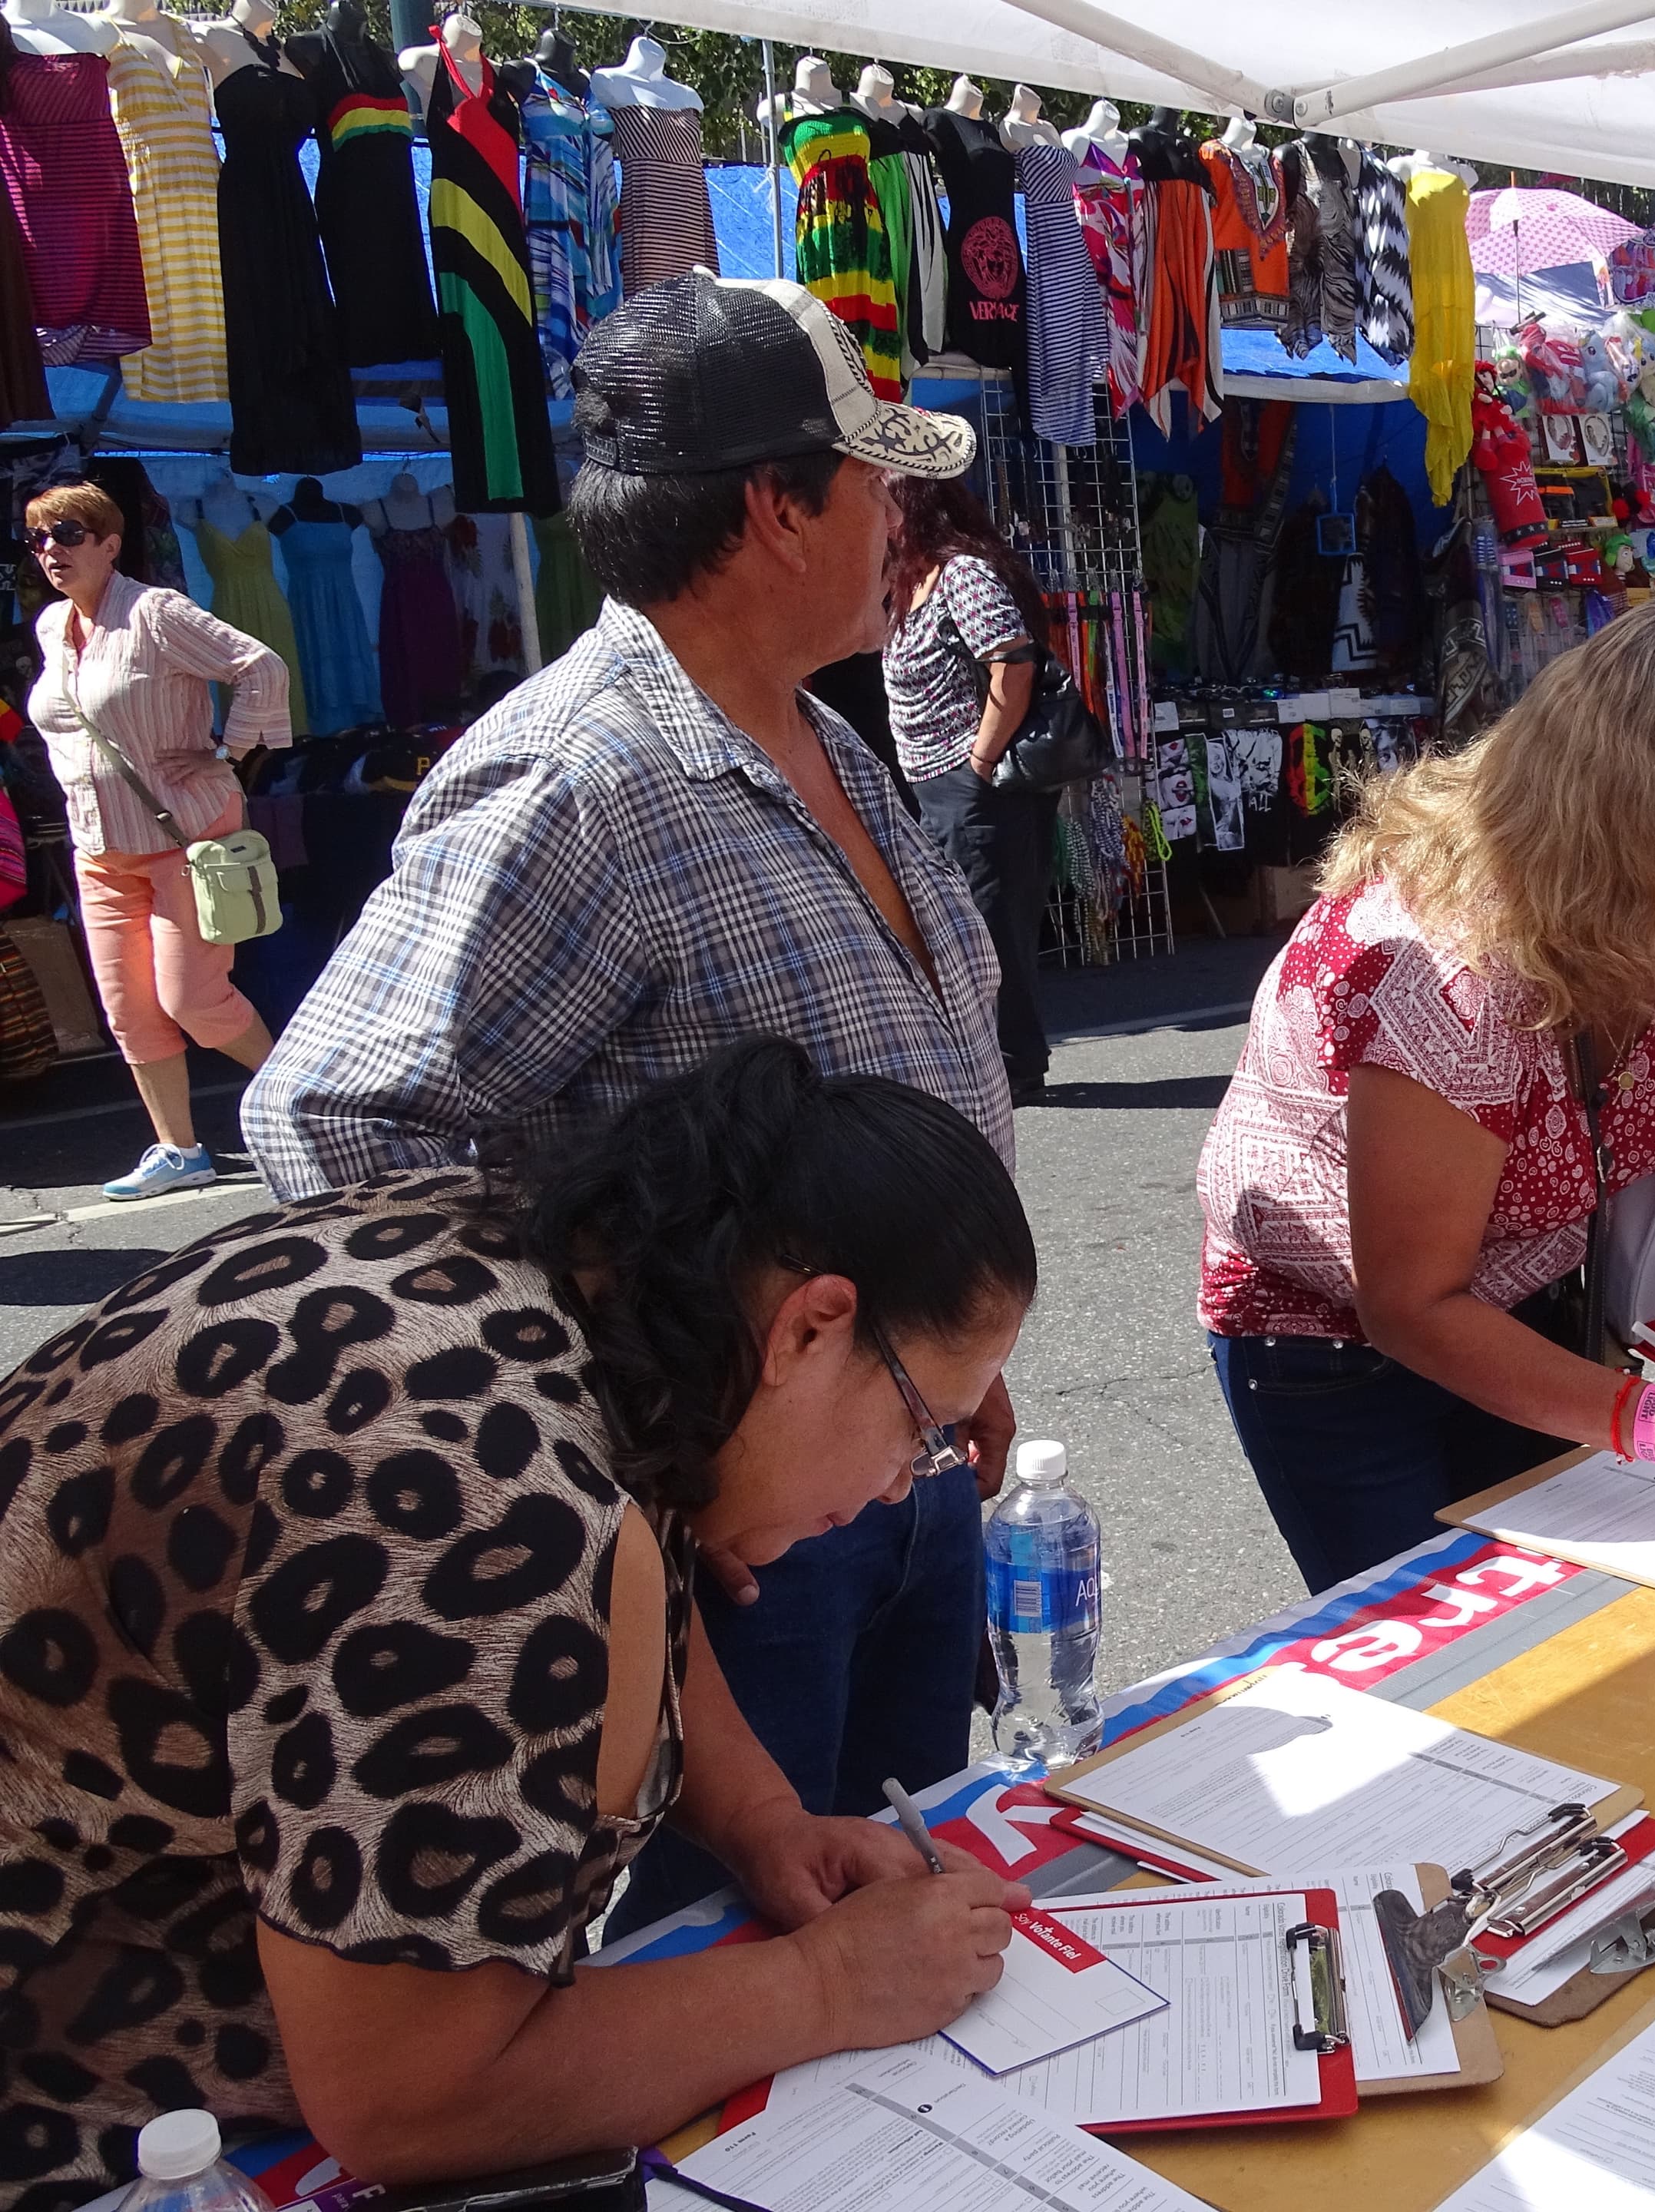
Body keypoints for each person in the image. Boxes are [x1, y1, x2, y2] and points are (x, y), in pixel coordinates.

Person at [240, 270, 1018, 1944]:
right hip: (740, 1540)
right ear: (775, 507)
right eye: (876, 475)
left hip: (889, 1477)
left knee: (899, 1918)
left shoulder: (818, 730)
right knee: (731, 1970)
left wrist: (945, 1375)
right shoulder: (580, 776)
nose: (903, 512)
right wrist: (615, 1444)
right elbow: (338, 1132)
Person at [0, 1038, 1041, 2210]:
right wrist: (833, 1984)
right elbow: (413, 2096)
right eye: (924, 1427)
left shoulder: (557, 1270)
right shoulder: (477, 1510)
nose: (912, 1483)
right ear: (811, 1327)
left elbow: (623, 1536)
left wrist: (763, 1822)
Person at [1197, 595, 1655, 1593]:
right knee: (1434, 1642)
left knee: (1559, 1605)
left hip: (1526, 1292)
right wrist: (1644, 1421)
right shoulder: (1450, 976)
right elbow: (1413, 1305)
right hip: (1334, 1344)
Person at [22, 482, 290, 1200]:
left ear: (111, 544)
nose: (53, 550)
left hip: (186, 836)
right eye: (40, 538)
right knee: (129, 1010)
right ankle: (178, 1149)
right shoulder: (52, 627)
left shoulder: (155, 612)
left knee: (194, 999)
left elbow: (260, 667)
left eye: (69, 534)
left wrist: (230, 753)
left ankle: (298, 1103)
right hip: (99, 847)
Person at [885, 474, 1061, 1103]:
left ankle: (1015, 1066)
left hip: (973, 787)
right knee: (967, 926)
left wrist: (978, 763)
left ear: (915, 508)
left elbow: (1013, 661)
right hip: (937, 786)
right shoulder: (914, 580)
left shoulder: (962, 575)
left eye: (886, 501)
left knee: (989, 928)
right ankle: (999, 1059)